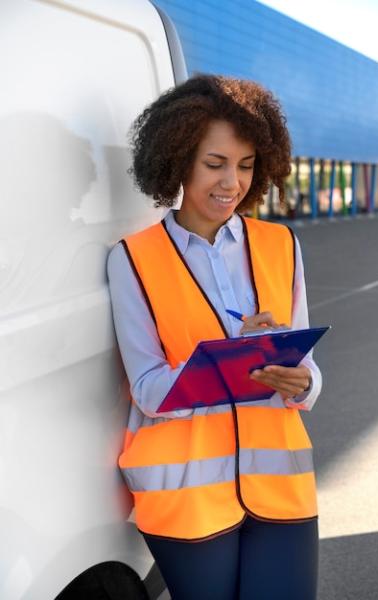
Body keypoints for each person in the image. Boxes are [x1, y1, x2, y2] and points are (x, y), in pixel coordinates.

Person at [107, 75, 322, 600]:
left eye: (246, 165)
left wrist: (301, 382)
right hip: (186, 498)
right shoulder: (132, 258)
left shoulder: (281, 244)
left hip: (282, 488)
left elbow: (310, 375)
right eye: (215, 163)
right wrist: (235, 359)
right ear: (178, 159)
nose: (233, 182)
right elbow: (150, 389)